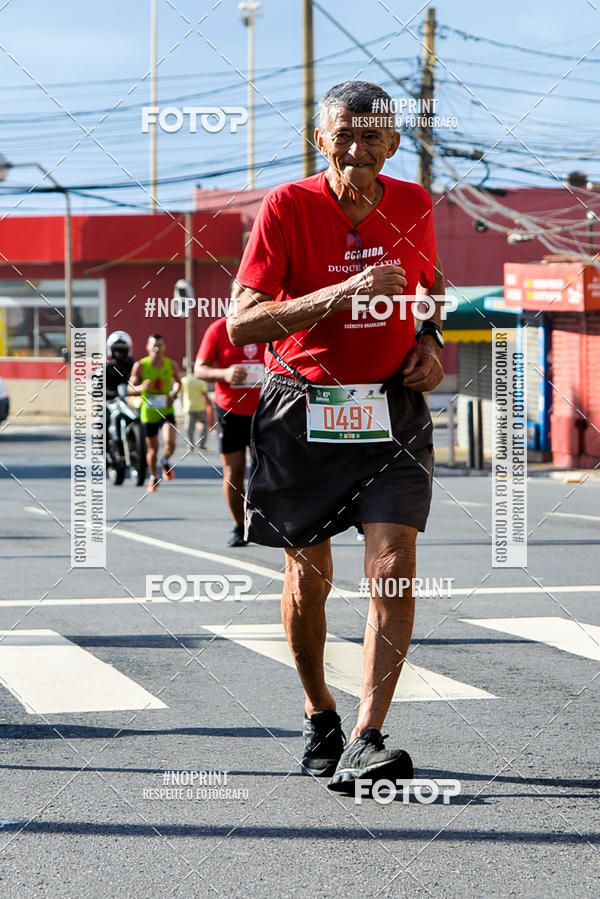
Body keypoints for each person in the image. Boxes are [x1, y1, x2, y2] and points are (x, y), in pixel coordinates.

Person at [227, 81, 445, 794]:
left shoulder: (415, 204)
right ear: (321, 140)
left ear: (393, 142)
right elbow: (242, 323)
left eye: (372, 136)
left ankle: (367, 734)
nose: (358, 148)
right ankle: (319, 710)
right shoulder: (287, 207)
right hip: (304, 411)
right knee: (308, 577)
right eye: (343, 135)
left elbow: (429, 288)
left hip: (391, 411)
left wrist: (433, 343)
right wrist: (339, 295)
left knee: (393, 562)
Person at [194, 317, 266, 547]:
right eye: (241, 295)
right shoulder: (218, 329)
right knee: (234, 472)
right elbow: (199, 368)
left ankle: (268, 524)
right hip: (230, 410)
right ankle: (240, 525)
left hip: (266, 409)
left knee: (267, 470)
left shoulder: (271, 323)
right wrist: (224, 374)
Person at [131, 334, 181, 493]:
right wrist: (140, 388)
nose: (157, 348)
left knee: (171, 443)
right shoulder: (141, 365)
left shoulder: (171, 364)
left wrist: (173, 394)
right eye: (154, 345)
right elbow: (129, 388)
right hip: (149, 413)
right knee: (152, 450)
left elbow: (178, 382)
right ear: (147, 347)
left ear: (164, 347)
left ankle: (165, 461)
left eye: (160, 345)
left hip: (166, 410)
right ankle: (153, 477)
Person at [179, 371, 210, 451]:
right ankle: (201, 443)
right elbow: (204, 393)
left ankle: (190, 445)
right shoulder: (201, 380)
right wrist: (209, 402)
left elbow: (180, 394)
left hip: (189, 407)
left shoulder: (184, 380)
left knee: (189, 427)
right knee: (204, 424)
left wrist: (182, 404)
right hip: (200, 407)